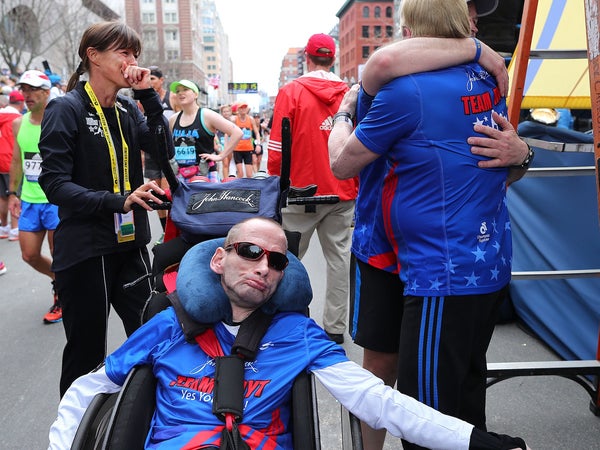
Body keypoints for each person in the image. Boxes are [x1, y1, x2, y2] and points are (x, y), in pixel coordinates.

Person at [48, 217, 529, 450]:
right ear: (220, 258)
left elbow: (380, 402)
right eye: (250, 251)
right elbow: (87, 389)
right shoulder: (167, 324)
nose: (263, 267)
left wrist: (475, 440)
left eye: (276, 261)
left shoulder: (298, 333)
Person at [328, 0, 532, 447]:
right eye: (472, 14)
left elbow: (342, 165)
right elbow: (498, 163)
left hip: (437, 267)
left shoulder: (407, 89)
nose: (476, 21)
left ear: (407, 25)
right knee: (451, 391)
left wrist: (341, 116)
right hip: (400, 251)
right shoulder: (488, 79)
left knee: (426, 412)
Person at [38, 21, 174, 397]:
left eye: (135, 54)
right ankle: (74, 433)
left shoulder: (129, 109)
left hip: (130, 245)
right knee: (86, 355)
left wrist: (149, 98)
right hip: (85, 250)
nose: (132, 61)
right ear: (93, 56)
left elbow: (166, 152)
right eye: (124, 52)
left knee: (152, 338)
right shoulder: (65, 108)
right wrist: (119, 200)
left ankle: (152, 423)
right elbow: (54, 184)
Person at [267, 33, 357, 344]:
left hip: (301, 192)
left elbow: (278, 147)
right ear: (333, 58)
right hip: (342, 190)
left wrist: (275, 183)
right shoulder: (348, 93)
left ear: (308, 56)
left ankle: (285, 322)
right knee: (339, 260)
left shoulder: (291, 92)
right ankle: (335, 328)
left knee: (287, 260)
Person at [7, 70, 62, 323]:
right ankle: (58, 279)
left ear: (46, 92)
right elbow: (18, 160)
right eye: (24, 90)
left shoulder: (59, 119)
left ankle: (62, 293)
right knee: (28, 255)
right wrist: (12, 194)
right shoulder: (19, 123)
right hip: (29, 198)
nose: (26, 95)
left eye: (32, 90)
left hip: (55, 200)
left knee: (58, 253)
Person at [169, 79, 242, 183]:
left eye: (185, 89)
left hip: (204, 174)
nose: (181, 93)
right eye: (178, 91)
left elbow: (237, 132)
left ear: (195, 94)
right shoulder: (173, 119)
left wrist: (221, 156)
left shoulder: (207, 115)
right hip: (180, 175)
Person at [142, 66, 173, 243]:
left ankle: (171, 230)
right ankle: (163, 231)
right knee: (155, 192)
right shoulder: (142, 100)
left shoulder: (172, 98)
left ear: (161, 80)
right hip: (151, 152)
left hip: (168, 152)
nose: (151, 82)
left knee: (166, 192)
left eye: (153, 78)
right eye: (149, 79)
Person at [0, 93, 21, 241]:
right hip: (10, 160)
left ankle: (4, 227)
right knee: (13, 193)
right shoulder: (17, 119)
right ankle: (14, 229)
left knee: (1, 196)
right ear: (20, 103)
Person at [233, 102, 260, 178]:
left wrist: (258, 144)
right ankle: (239, 188)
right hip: (237, 149)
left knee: (249, 174)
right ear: (238, 109)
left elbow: (257, 133)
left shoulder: (250, 119)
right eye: (241, 108)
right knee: (240, 174)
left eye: (245, 107)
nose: (243, 109)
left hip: (248, 149)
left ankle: (248, 189)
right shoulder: (235, 119)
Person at [216, 103, 234, 178]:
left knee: (228, 163)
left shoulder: (233, 122)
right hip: (222, 144)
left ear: (230, 112)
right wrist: (217, 144)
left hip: (230, 144)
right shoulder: (218, 121)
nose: (226, 113)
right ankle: (225, 181)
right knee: (225, 163)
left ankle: (226, 177)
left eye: (227, 111)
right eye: (224, 111)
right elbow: (214, 134)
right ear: (222, 113)